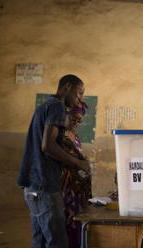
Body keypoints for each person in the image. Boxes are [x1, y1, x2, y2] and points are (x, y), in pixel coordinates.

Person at [17, 74, 91, 248]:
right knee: (58, 242)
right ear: (66, 87)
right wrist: (78, 163)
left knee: (40, 241)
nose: (80, 99)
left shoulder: (45, 106)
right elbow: (48, 146)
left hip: (33, 187)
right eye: (79, 93)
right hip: (45, 185)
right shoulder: (57, 106)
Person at [61, 102, 92, 248]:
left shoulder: (76, 136)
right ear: (64, 116)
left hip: (77, 190)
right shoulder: (59, 136)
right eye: (73, 119)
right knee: (65, 223)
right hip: (65, 187)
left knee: (77, 224)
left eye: (79, 120)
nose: (76, 123)